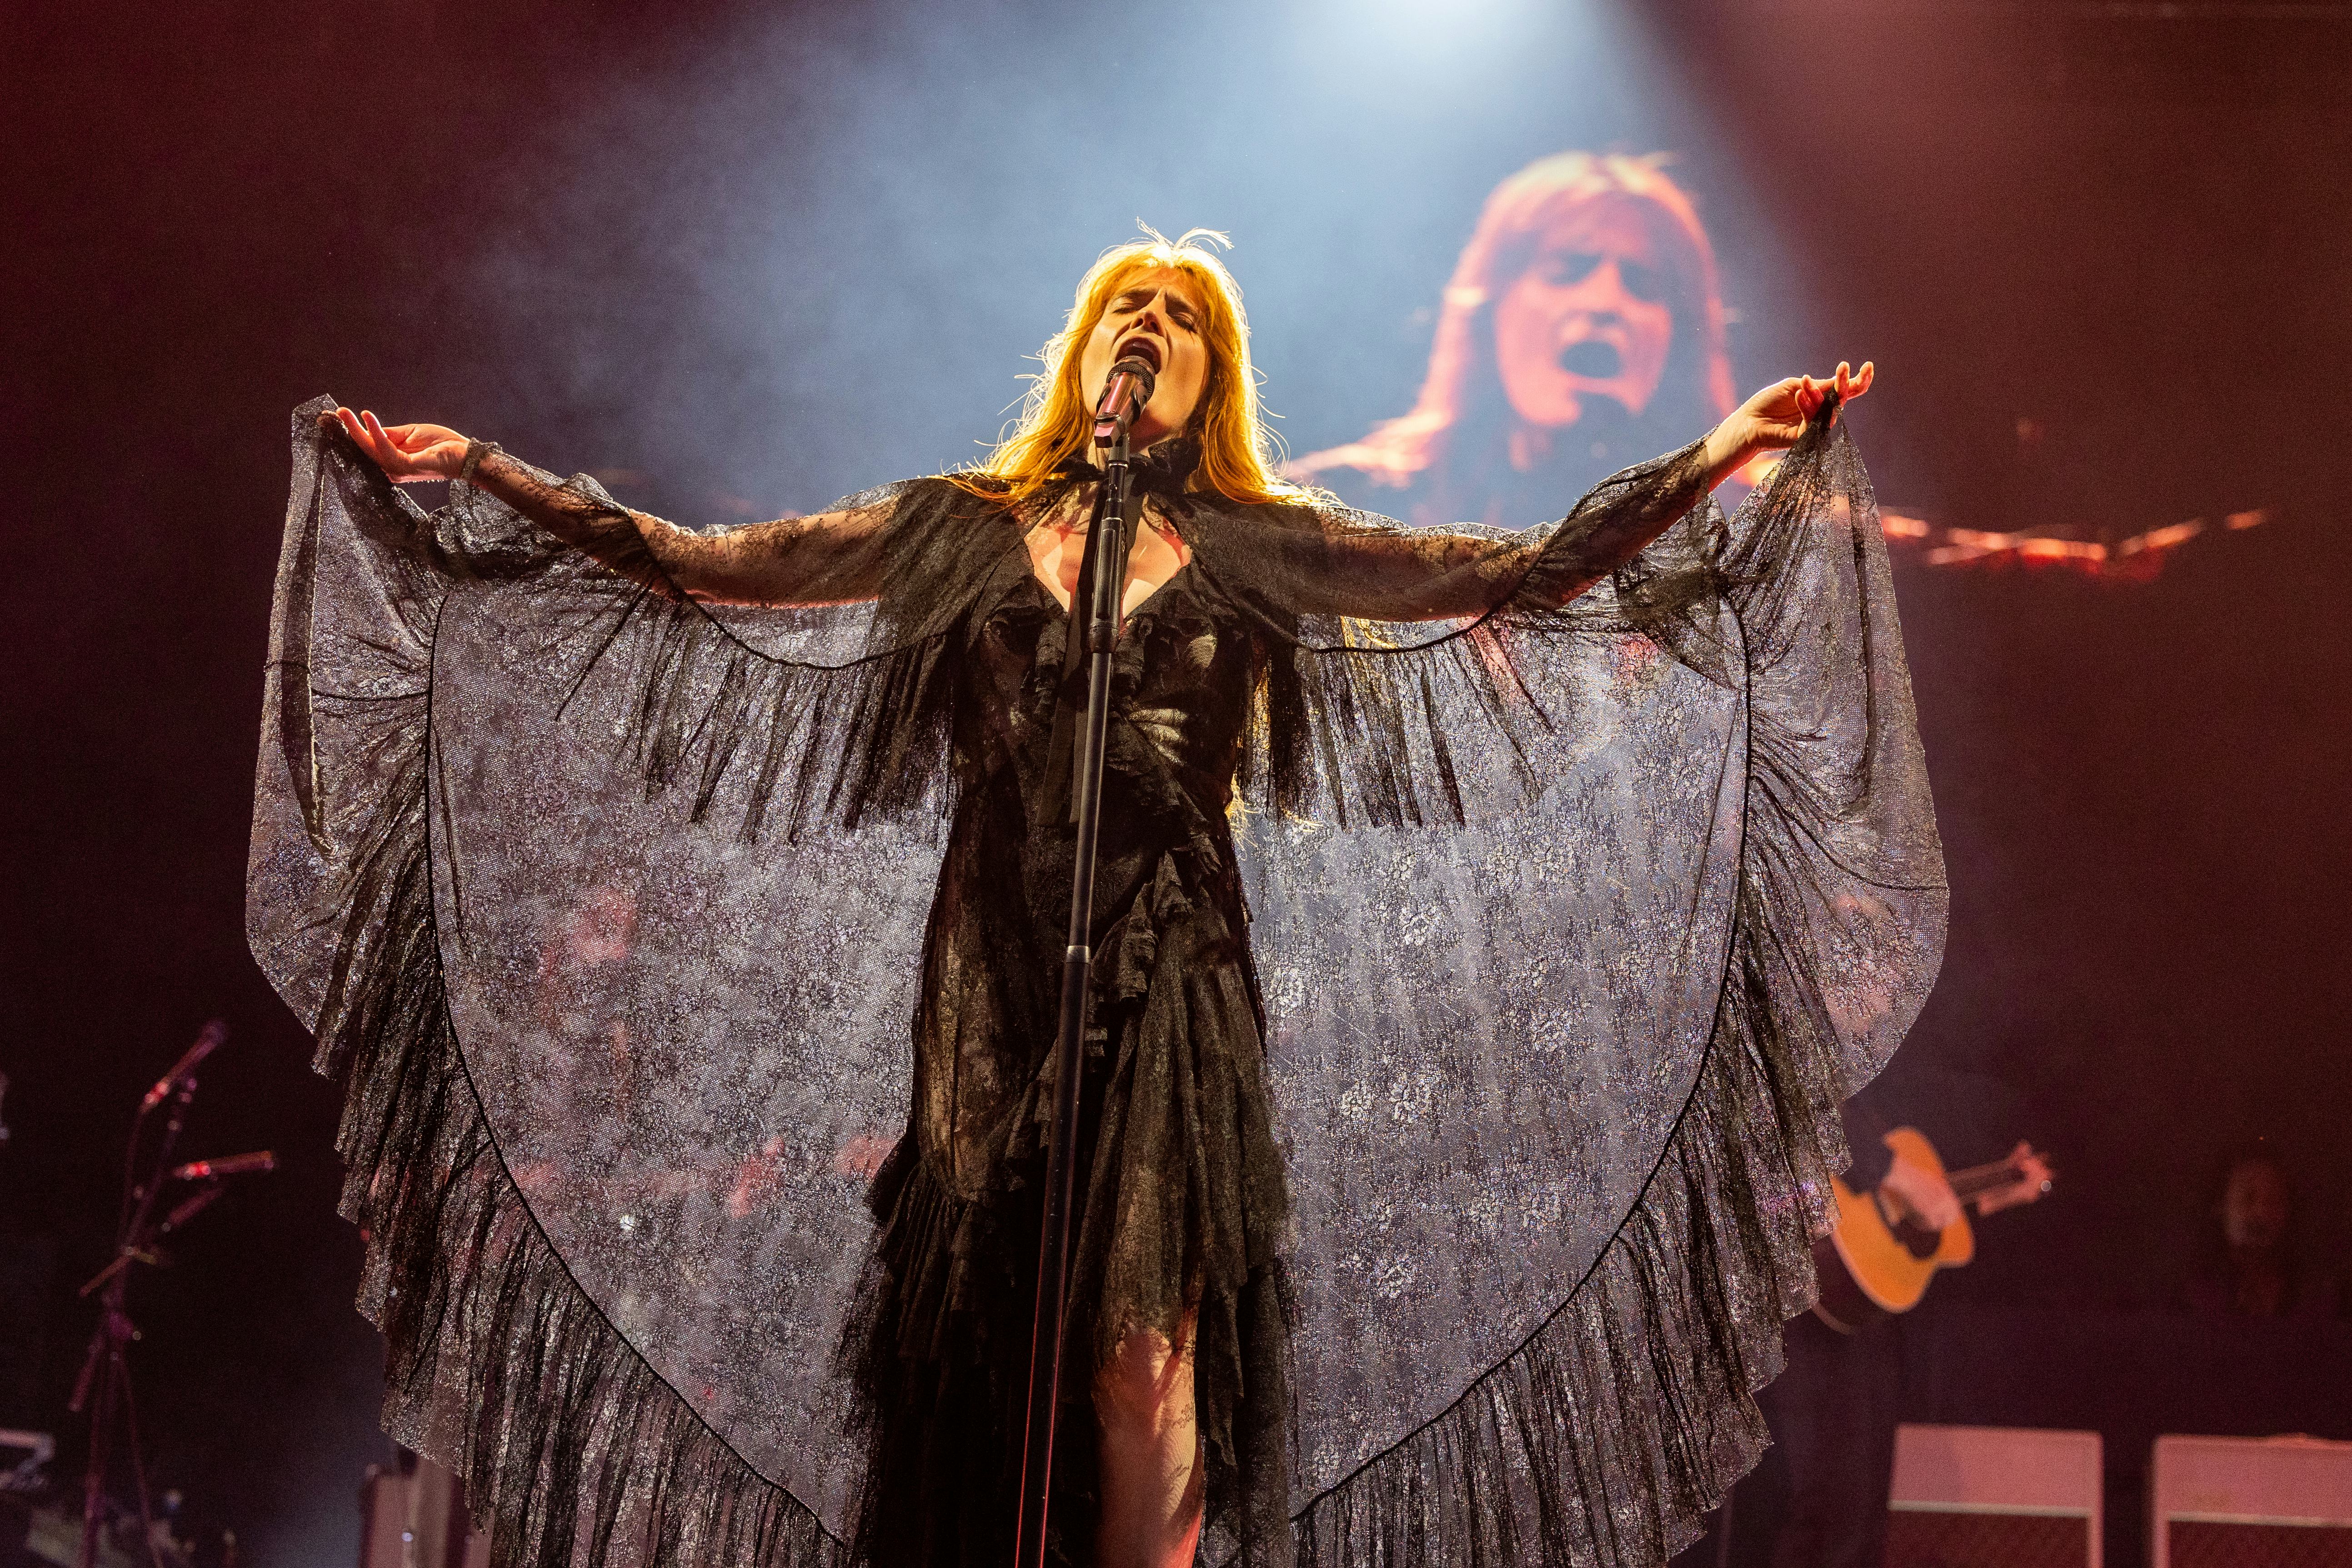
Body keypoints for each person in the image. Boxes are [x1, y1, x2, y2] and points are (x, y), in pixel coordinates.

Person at [250, 228, 1943, 1568]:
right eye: (1124, 306)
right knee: (983, 1357)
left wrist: (1719, 451)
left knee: (1147, 1354)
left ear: (1211, 373)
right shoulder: (960, 531)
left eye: (1180, 315)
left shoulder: (1261, 545)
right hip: (990, 988)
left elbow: (1508, 572)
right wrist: (481, 472)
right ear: (1084, 353)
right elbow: (703, 562)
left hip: (1173, 972)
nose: (1148, 327)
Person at [1676, 1087, 2052, 1568]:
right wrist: (1895, 1171)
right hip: (1779, 1306)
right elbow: (1793, 1108)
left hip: (1849, 1322)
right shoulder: (1790, 1037)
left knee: (1854, 1506)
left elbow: (1884, 1221)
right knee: (1790, 1495)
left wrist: (1978, 1197)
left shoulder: (1872, 1084)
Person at [1294, 152, 1743, 528]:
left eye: (1642, 282)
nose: (1605, 299)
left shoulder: (1745, 520)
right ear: (1491, 306)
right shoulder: (1338, 506)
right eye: (1568, 268)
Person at [2182, 1143, 2341, 1320]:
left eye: (2274, 1200)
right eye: (2247, 1197)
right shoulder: (2185, 1297)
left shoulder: (2315, 1298)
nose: (2261, 1213)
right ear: (2220, 1207)